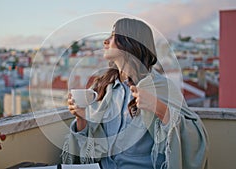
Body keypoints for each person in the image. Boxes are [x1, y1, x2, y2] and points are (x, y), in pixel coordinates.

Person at [61, 18, 209, 169]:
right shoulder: (102, 87)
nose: (105, 41)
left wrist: (158, 108)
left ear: (130, 43)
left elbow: (193, 136)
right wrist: (81, 118)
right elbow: (93, 144)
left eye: (113, 36)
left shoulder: (162, 87)